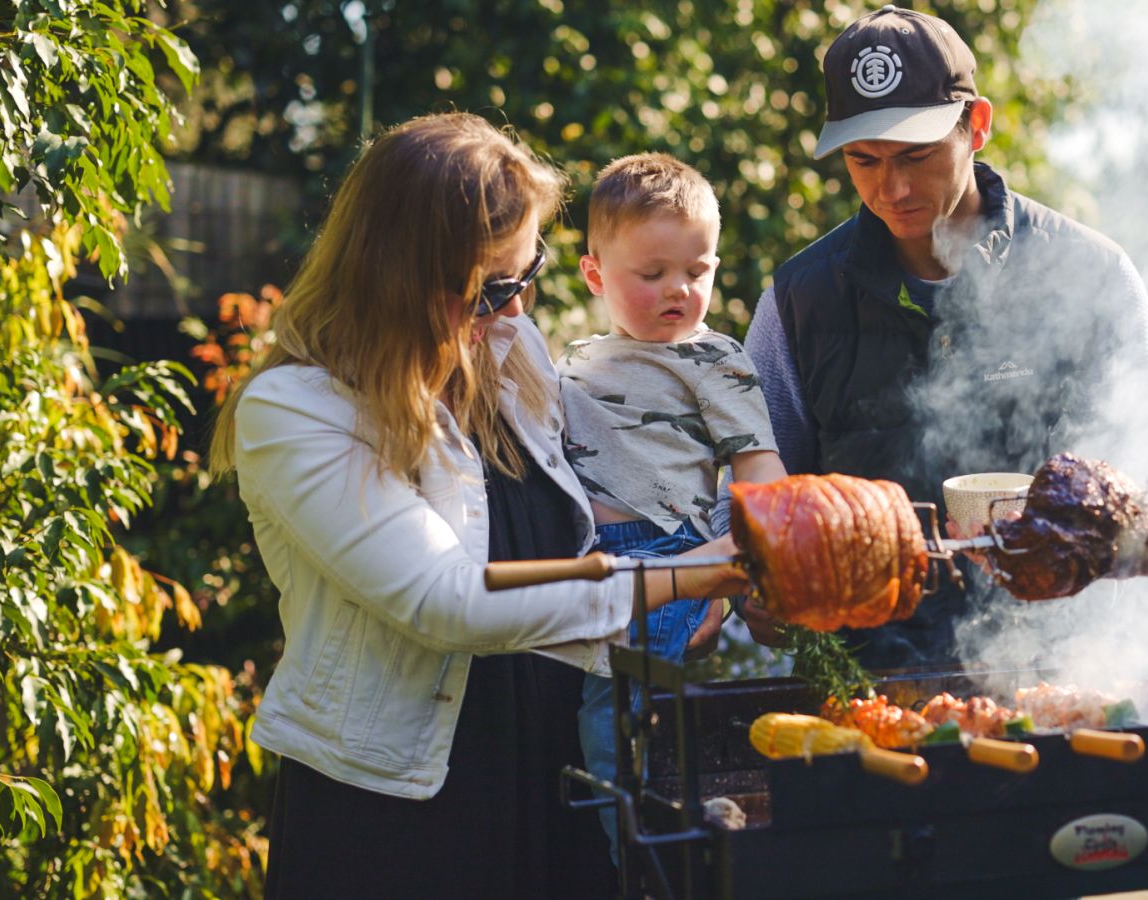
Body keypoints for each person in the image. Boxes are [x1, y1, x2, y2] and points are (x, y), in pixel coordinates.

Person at [206, 113, 745, 899]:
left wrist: (713, 536)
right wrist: (679, 580)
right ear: (398, 276)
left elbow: (609, 489)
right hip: (402, 810)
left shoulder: (503, 348)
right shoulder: (297, 411)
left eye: (530, 274)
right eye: (494, 287)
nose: (521, 310)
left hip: (554, 766)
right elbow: (445, 600)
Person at [744, 6, 1148, 668]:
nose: (893, 188)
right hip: (863, 691)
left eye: (917, 154)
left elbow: (1140, 488)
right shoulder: (798, 300)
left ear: (977, 126)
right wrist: (762, 583)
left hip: (1063, 675)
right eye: (864, 160)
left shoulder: (1092, 276)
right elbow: (759, 493)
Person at [558, 152, 787, 859]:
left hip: (671, 556)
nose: (678, 290)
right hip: (585, 561)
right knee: (607, 710)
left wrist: (761, 555)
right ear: (595, 274)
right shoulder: (574, 361)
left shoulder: (713, 359)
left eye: (698, 270)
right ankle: (652, 833)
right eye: (651, 274)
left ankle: (647, 855)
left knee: (618, 713)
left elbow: (758, 468)